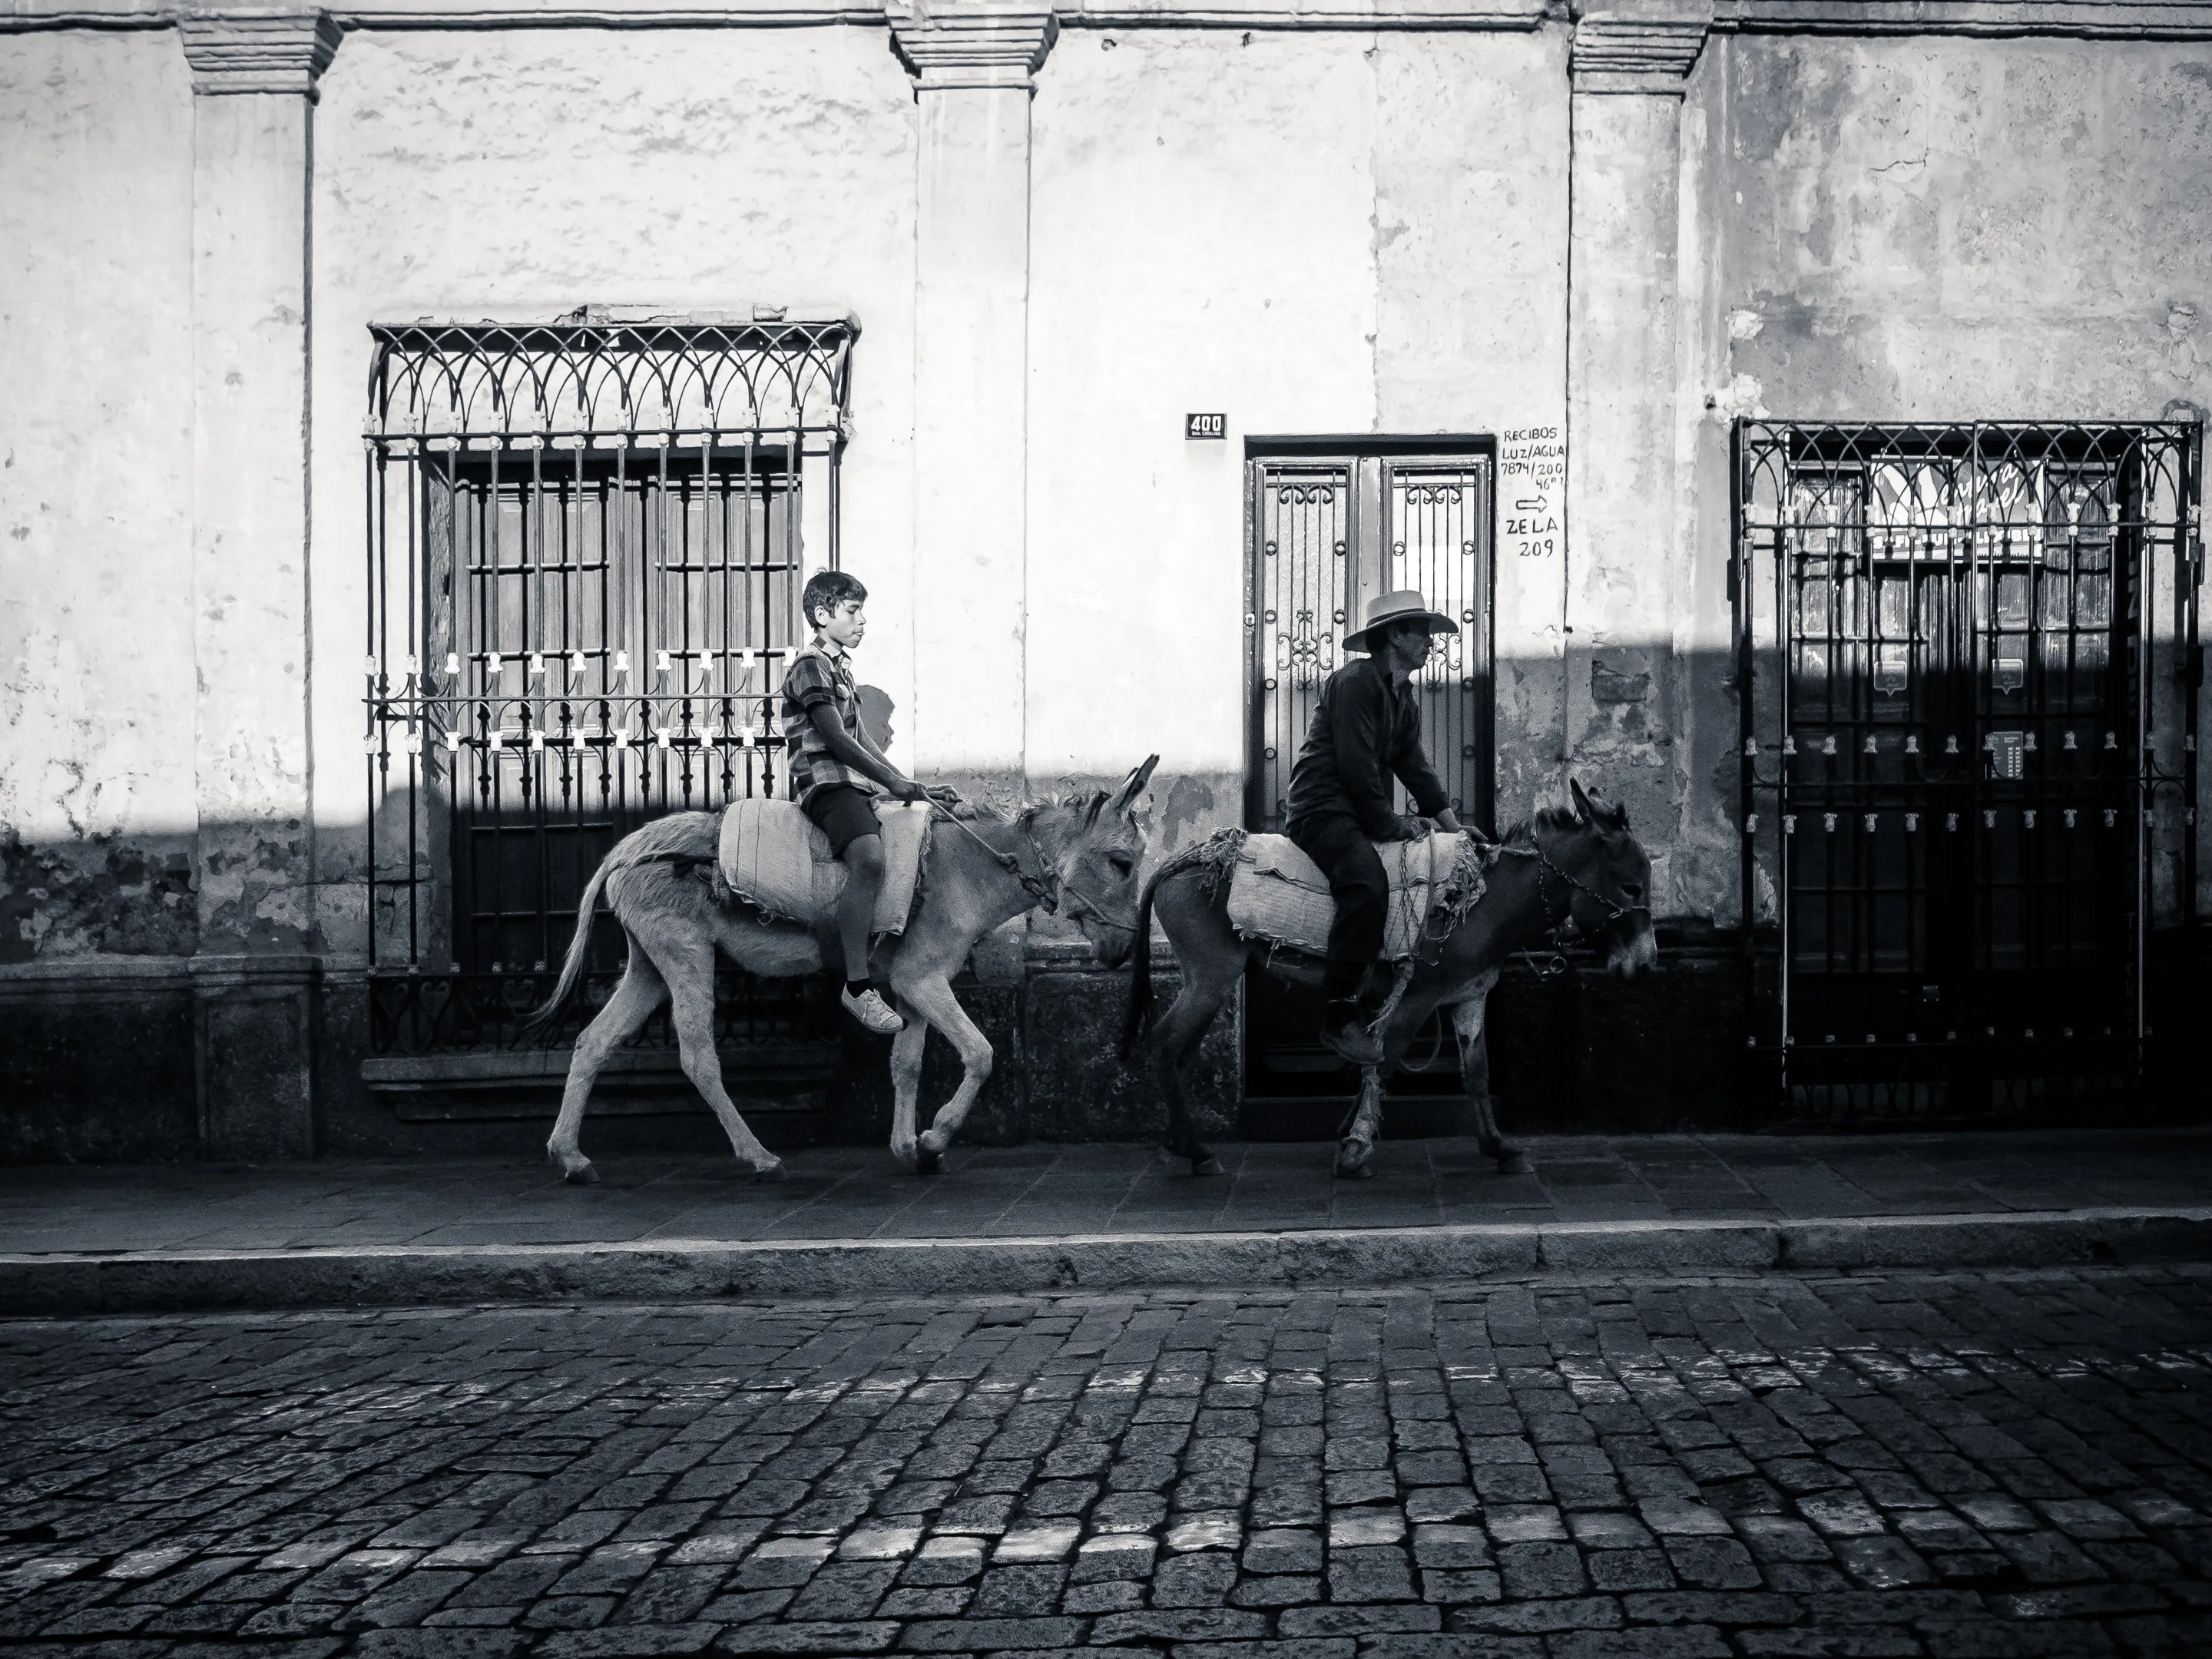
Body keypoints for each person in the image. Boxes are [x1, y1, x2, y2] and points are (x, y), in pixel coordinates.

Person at [1284, 589, 1466, 1065]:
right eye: (1421, 632)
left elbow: (1416, 770)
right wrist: (1391, 824)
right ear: (1395, 636)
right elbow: (1356, 767)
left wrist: (1455, 829)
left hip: (1357, 814)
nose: (1430, 642)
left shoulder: (1403, 698)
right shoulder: (1356, 682)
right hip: (1321, 810)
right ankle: (1339, 1017)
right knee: (1366, 885)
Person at [780, 571, 942, 1034]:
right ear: (822, 615)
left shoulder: (840, 669)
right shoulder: (810, 666)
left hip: (852, 784)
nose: (862, 621)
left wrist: (907, 784)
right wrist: (893, 782)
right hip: (826, 784)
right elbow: (834, 739)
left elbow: (861, 737)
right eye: (852, 611)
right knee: (869, 859)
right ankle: (857, 985)